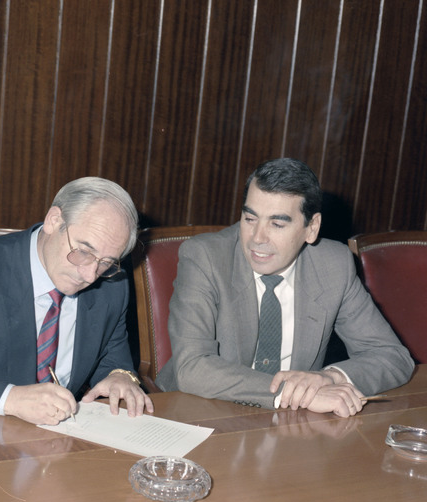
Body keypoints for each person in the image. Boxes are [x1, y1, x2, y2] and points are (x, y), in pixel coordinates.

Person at [157, 158, 414, 417]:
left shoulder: (334, 265)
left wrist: (330, 378)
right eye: (250, 218)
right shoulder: (205, 257)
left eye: (277, 224)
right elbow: (192, 366)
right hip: (200, 412)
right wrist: (289, 392)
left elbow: (392, 356)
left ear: (311, 228)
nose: (257, 238)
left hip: (290, 422)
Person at [0, 176, 153, 425]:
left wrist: (121, 377)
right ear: (54, 220)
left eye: (106, 262)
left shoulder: (111, 283)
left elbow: (112, 355)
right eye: (84, 251)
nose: (90, 275)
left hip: (54, 434)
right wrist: (12, 399)